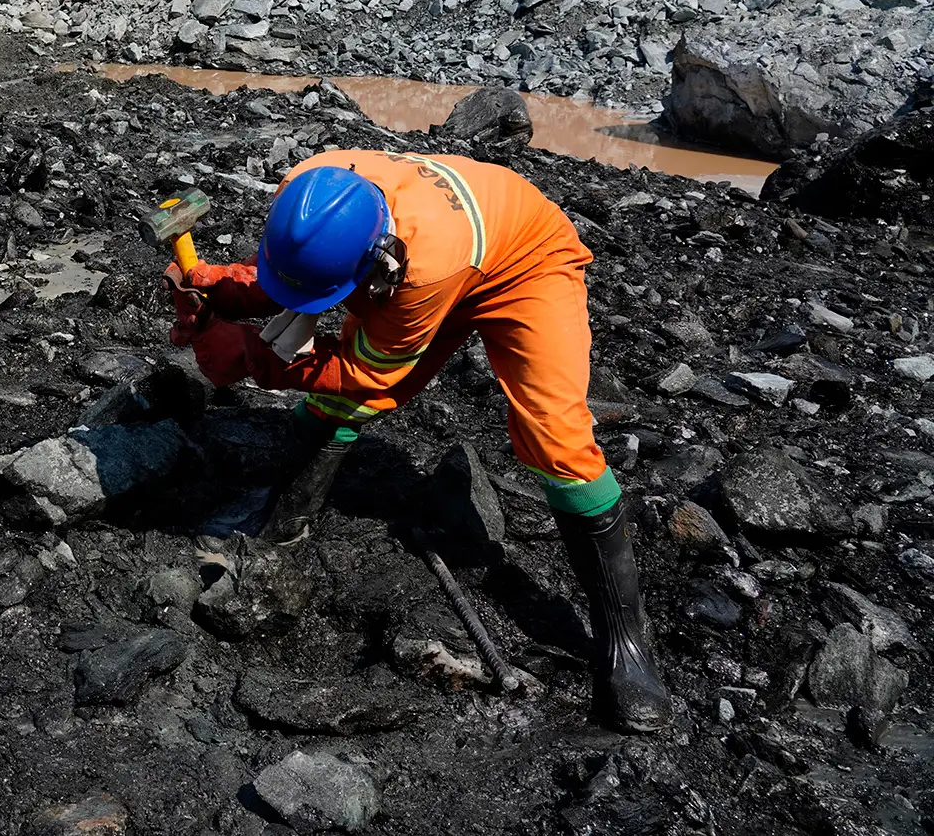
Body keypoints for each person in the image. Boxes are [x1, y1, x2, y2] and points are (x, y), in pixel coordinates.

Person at [166, 149, 671, 733]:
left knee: (554, 434)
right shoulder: (313, 188)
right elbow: (297, 274)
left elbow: (367, 373)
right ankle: (287, 518)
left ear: (380, 260)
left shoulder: (418, 274)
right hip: (435, 249)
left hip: (526, 261)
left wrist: (252, 356)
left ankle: (627, 642)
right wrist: (225, 290)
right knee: (341, 395)